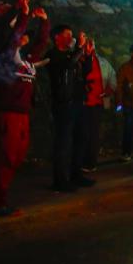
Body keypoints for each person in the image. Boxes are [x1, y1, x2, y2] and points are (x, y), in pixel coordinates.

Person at [0, 0, 49, 215]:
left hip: (22, 113)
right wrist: (22, 13)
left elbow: (41, 45)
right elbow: (11, 38)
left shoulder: (26, 59)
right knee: (8, 156)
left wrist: (43, 22)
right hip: (8, 111)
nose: (23, 37)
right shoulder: (3, 55)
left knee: (18, 155)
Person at [46, 25, 95, 192]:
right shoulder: (53, 55)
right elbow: (66, 66)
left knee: (81, 138)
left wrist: (87, 55)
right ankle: (60, 180)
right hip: (63, 104)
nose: (71, 39)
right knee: (64, 142)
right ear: (57, 37)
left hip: (77, 101)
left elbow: (85, 71)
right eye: (67, 35)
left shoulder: (71, 54)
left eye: (72, 35)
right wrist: (80, 49)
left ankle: (76, 174)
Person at [80, 40, 116, 173]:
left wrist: (108, 91)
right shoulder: (79, 61)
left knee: (93, 133)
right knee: (83, 133)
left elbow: (113, 77)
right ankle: (81, 161)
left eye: (92, 44)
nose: (90, 46)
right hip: (82, 103)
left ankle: (90, 162)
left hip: (97, 103)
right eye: (87, 44)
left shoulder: (103, 62)